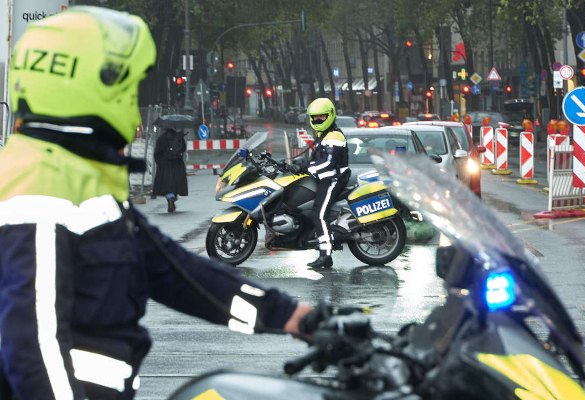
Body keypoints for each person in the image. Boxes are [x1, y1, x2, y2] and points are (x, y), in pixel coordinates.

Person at [0, 7, 312, 399]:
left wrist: (294, 317)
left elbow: (178, 274)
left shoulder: (76, 180)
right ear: (86, 88)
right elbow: (33, 344)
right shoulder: (38, 189)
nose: (133, 110)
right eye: (127, 93)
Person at [290, 98, 350, 268]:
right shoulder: (322, 134)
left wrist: (305, 167)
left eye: (321, 117)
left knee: (319, 213)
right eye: (314, 117)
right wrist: (293, 164)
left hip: (333, 179)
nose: (317, 121)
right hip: (324, 177)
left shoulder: (335, 136)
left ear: (330, 116)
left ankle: (325, 255)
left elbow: (327, 163)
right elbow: (315, 158)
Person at [152, 127, 188, 212]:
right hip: (178, 163)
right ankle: (173, 197)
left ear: (164, 128)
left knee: (167, 184)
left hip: (166, 164)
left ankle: (170, 199)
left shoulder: (162, 138)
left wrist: (160, 163)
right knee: (176, 183)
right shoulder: (179, 137)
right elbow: (183, 148)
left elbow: (157, 152)